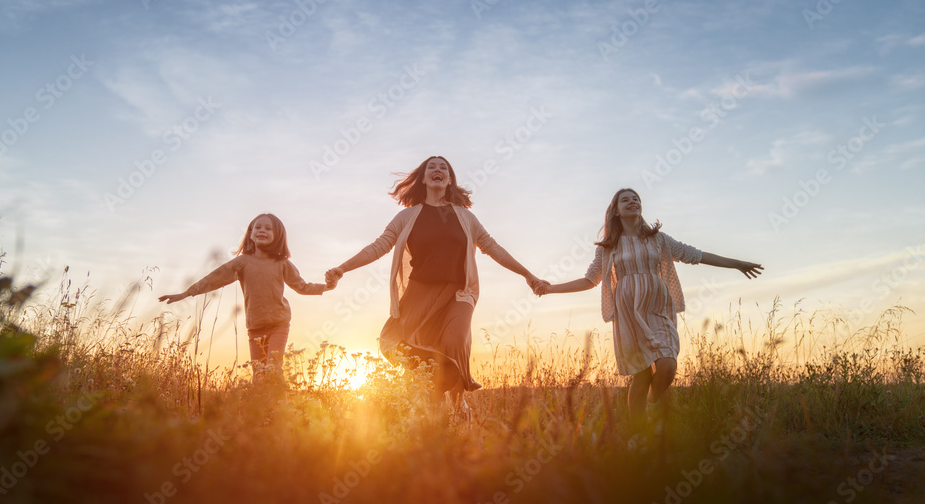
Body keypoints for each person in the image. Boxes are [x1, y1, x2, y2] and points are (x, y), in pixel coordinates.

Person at [325, 156, 548, 419]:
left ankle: (458, 402)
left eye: (444, 167)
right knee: (421, 352)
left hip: (460, 293)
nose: (438, 170)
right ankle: (432, 416)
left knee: (454, 340)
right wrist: (342, 268)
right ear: (423, 178)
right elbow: (378, 246)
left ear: (450, 179)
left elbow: (493, 248)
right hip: (420, 294)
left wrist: (528, 275)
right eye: (432, 167)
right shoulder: (407, 216)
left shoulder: (466, 217)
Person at [536, 188, 762, 431]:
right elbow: (589, 280)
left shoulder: (658, 239)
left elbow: (695, 255)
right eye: (626, 200)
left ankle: (653, 402)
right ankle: (638, 435)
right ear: (615, 211)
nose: (633, 202)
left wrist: (737, 264)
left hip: (658, 308)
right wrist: (550, 289)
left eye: (636, 199)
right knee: (641, 375)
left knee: (667, 364)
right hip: (628, 314)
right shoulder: (608, 247)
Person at [159, 213, 334, 380]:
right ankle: (259, 410)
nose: (262, 231)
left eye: (268, 228)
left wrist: (326, 286)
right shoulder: (242, 262)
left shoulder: (282, 263)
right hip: (255, 326)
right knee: (259, 374)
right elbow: (214, 279)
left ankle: (281, 409)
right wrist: (187, 293)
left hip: (278, 324)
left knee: (273, 370)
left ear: (278, 235)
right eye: (257, 227)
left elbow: (301, 287)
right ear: (250, 233)